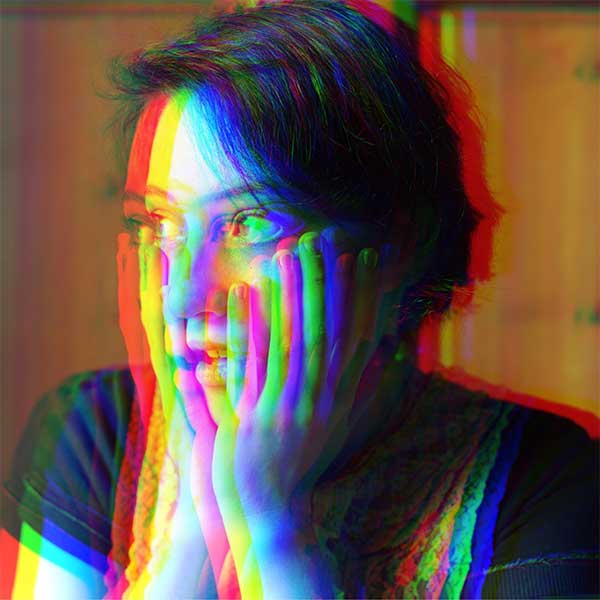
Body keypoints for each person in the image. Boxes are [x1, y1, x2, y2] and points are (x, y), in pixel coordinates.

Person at [2, 1, 598, 598]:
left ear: (396, 248)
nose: (182, 294)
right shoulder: (95, 432)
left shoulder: (545, 479)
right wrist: (194, 533)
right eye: (161, 225)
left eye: (248, 223)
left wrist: (272, 529)